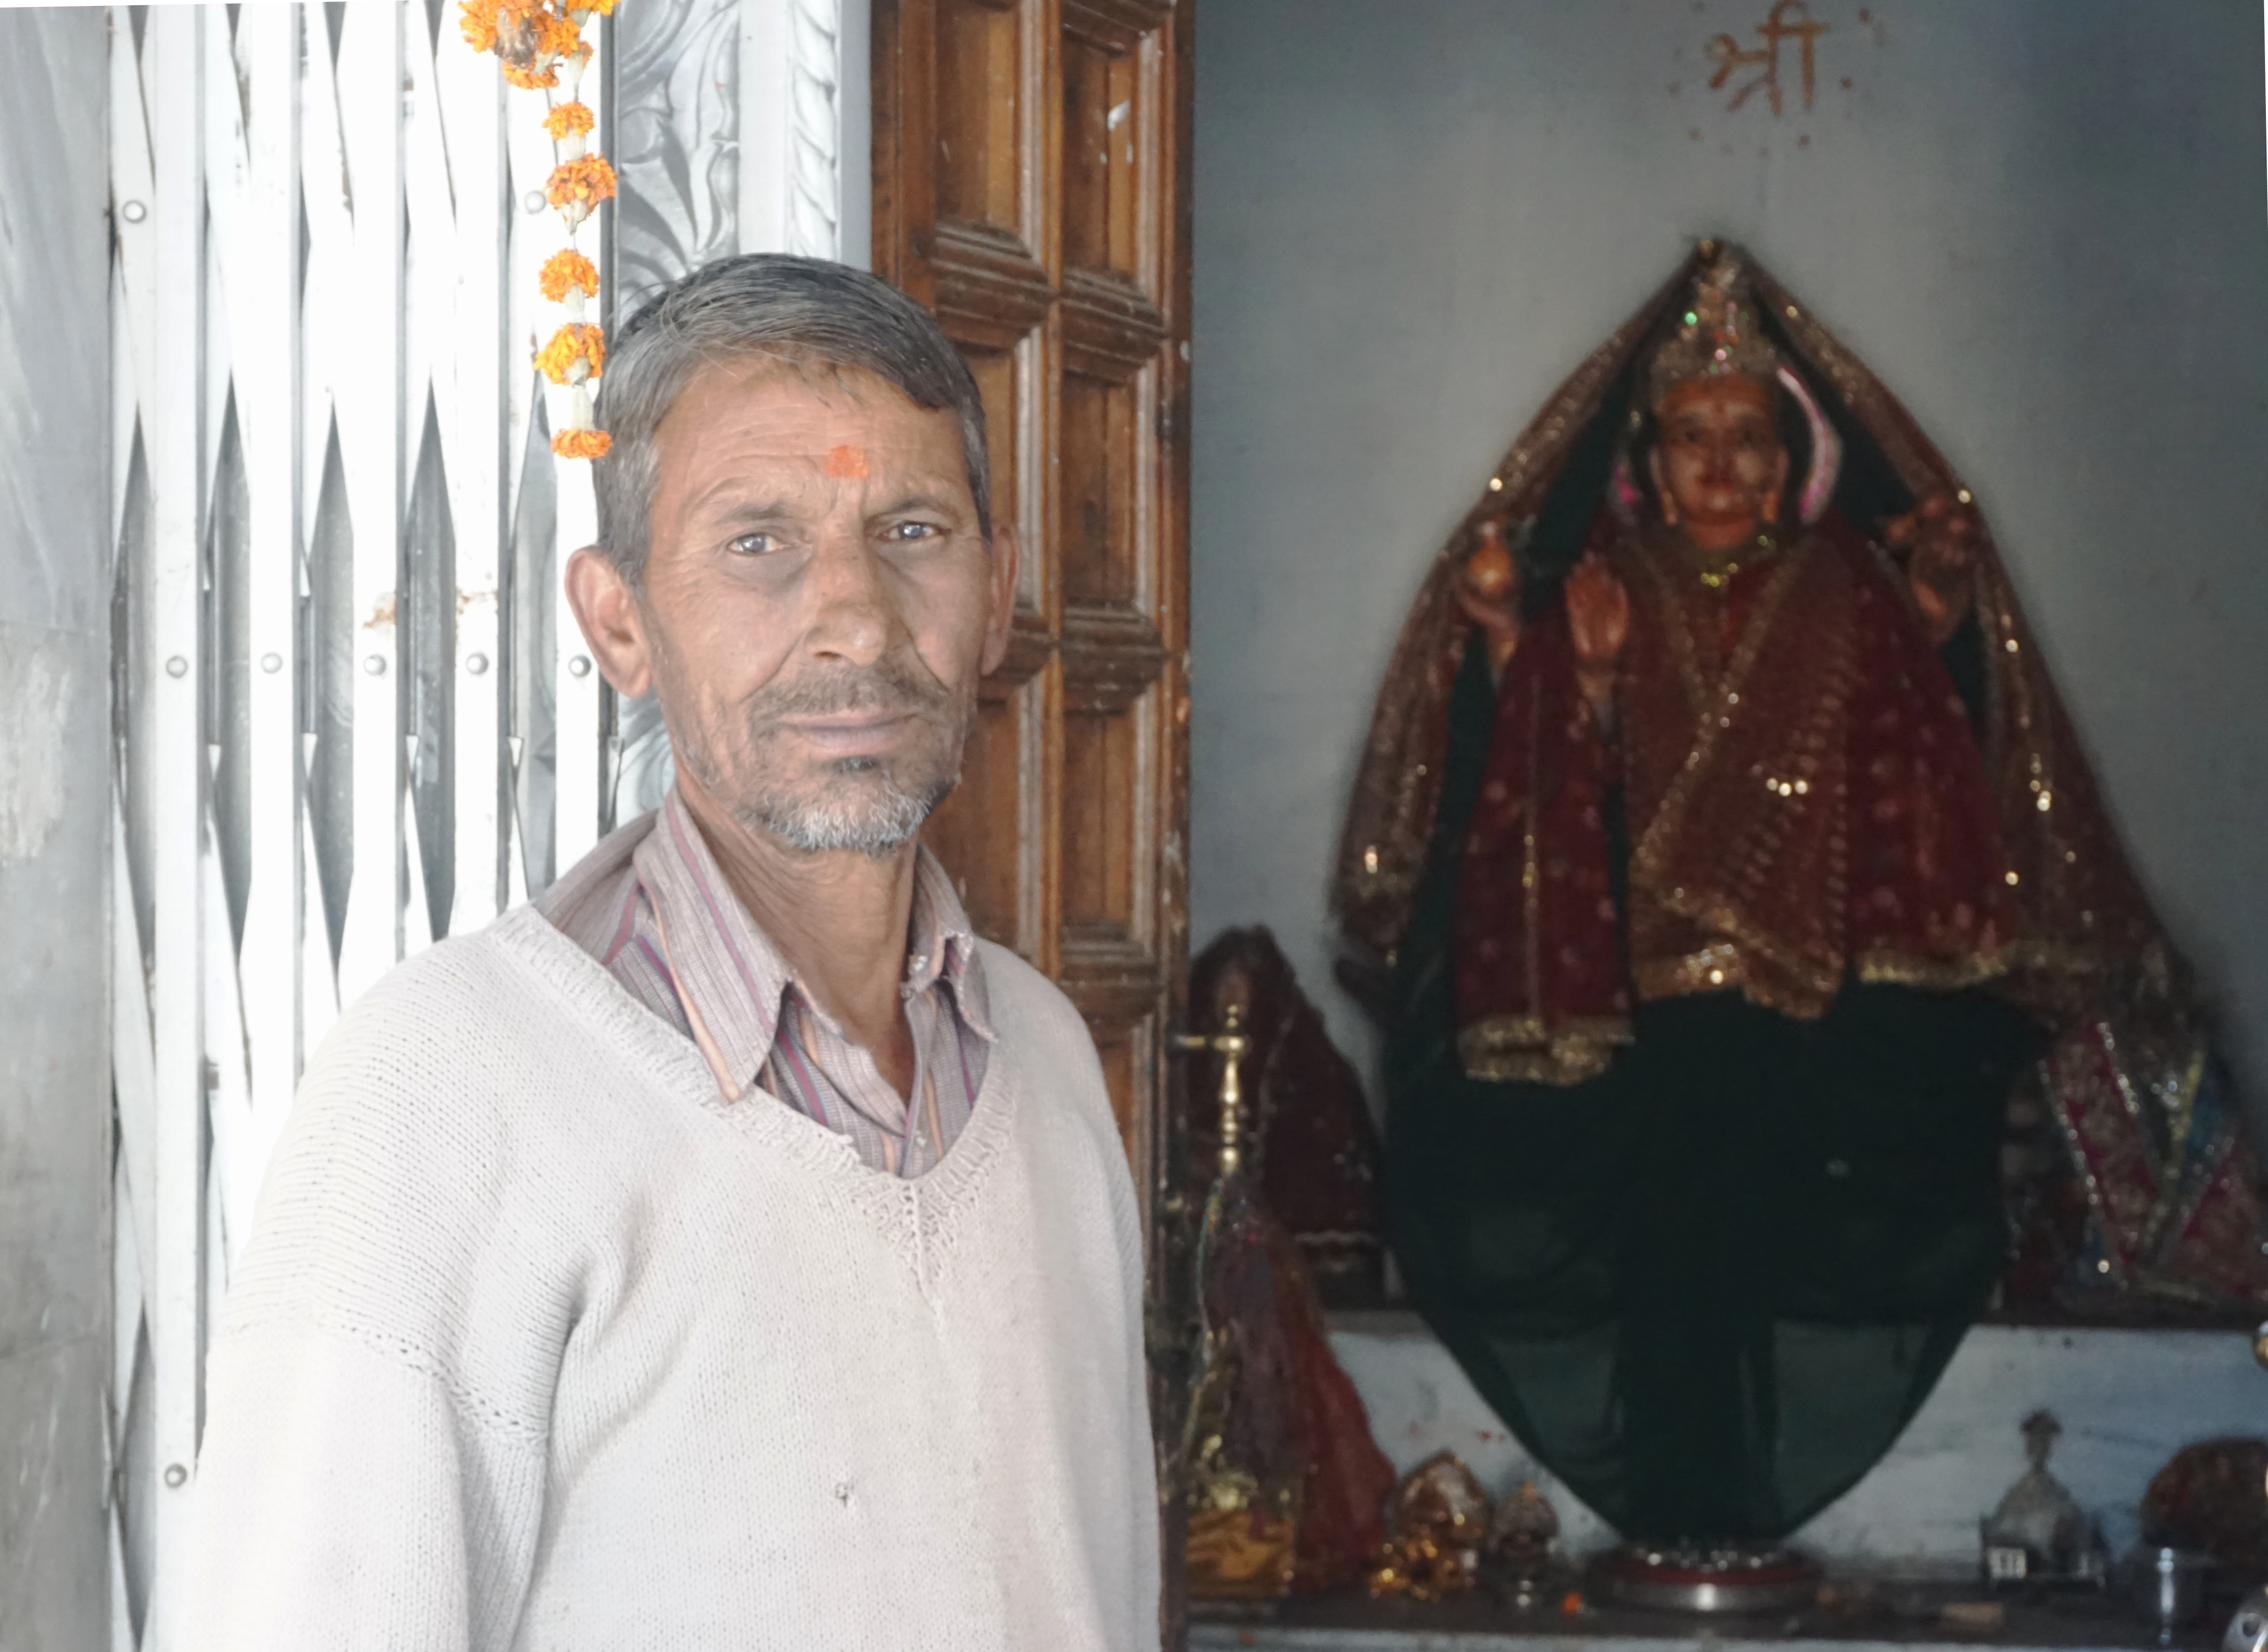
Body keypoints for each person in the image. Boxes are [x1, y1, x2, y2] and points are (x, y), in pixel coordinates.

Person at [186, 255, 1159, 1649]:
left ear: (997, 595)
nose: (858, 620)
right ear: (620, 620)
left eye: (914, 530)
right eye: (757, 541)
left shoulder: (1050, 1062)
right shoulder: (444, 1095)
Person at [1331, 243, 2262, 1560]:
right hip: (1646, 1022)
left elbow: (1906, 781)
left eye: (1748, 437)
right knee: (1659, 1256)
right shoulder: (1612, 583)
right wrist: (1570, 681)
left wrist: (1935, 622)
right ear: (1649, 460)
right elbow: (1538, 800)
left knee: (1799, 1223)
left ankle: (1728, 1527)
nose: (1720, 465)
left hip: (1812, 1020)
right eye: (1694, 436)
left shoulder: (1844, 591)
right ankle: (1681, 1523)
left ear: (1792, 460)